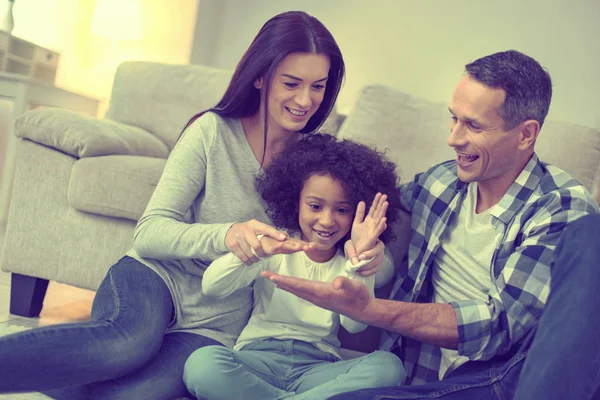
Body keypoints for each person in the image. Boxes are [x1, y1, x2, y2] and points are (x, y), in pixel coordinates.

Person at [0, 11, 384, 400]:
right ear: (260, 77)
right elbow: (150, 232)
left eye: (318, 86)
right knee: (127, 344)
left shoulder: (315, 161)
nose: (306, 101)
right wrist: (228, 235)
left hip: (219, 319)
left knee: (136, 395)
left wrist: (368, 254)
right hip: (158, 277)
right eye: (292, 83)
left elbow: (336, 234)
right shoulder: (212, 131)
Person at [264, 49, 600, 399]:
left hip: (502, 380)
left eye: (473, 125)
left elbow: (500, 325)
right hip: (426, 382)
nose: (453, 138)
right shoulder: (440, 183)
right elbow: (354, 205)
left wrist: (371, 310)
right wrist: (359, 245)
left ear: (526, 134)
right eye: (453, 119)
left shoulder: (560, 208)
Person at [182, 133, 405, 400]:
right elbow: (212, 286)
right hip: (257, 360)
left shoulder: (350, 262)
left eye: (342, 210)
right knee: (201, 364)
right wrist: (254, 251)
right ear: (294, 202)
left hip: (318, 369)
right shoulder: (275, 245)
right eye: (315, 206)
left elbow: (355, 326)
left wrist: (358, 260)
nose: (326, 220)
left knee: (388, 367)